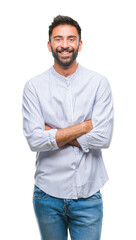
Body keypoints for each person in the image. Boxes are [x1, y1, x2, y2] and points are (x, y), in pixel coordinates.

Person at [22, 15, 114, 240]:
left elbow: (103, 137)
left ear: (80, 44)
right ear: (49, 45)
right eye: (58, 39)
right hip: (47, 196)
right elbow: (35, 141)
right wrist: (84, 126)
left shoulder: (98, 83)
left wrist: (53, 133)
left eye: (71, 39)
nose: (65, 45)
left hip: (89, 197)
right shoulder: (33, 87)